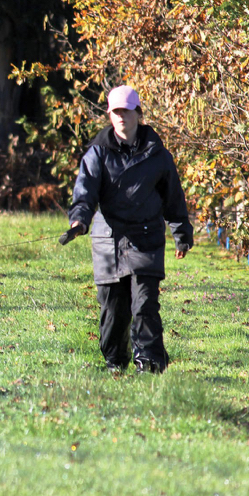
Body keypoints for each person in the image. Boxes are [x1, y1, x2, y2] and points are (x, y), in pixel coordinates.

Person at [66, 86, 193, 374]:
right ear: (109, 116)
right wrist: (79, 220)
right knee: (113, 310)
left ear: (139, 113)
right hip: (107, 239)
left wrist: (181, 234)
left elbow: (173, 197)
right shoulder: (97, 152)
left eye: (126, 110)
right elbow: (85, 191)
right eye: (115, 111)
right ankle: (115, 361)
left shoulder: (158, 155)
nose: (121, 116)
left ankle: (149, 365)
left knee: (144, 305)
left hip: (146, 238)